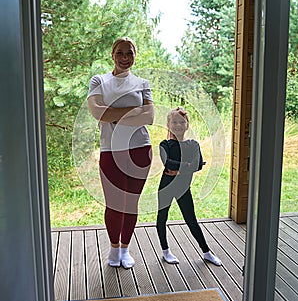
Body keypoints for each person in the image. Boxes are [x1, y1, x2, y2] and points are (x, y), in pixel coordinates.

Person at [87, 37, 154, 268]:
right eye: (120, 53)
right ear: (112, 55)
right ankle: (113, 249)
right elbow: (98, 114)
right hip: (111, 150)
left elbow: (149, 117)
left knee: (131, 203)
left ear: (135, 55)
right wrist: (134, 110)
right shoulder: (99, 81)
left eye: (130, 53)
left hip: (140, 149)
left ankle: (125, 249)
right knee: (114, 203)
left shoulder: (142, 83)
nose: (125, 58)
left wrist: (114, 112)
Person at [156, 107, 222, 266]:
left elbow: (197, 165)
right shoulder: (165, 144)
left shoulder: (193, 144)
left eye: (181, 122)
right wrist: (187, 166)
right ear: (168, 124)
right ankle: (166, 251)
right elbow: (167, 162)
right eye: (174, 122)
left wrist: (177, 170)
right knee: (162, 218)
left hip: (183, 188)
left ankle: (206, 252)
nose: (178, 125)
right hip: (166, 187)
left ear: (187, 125)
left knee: (191, 220)